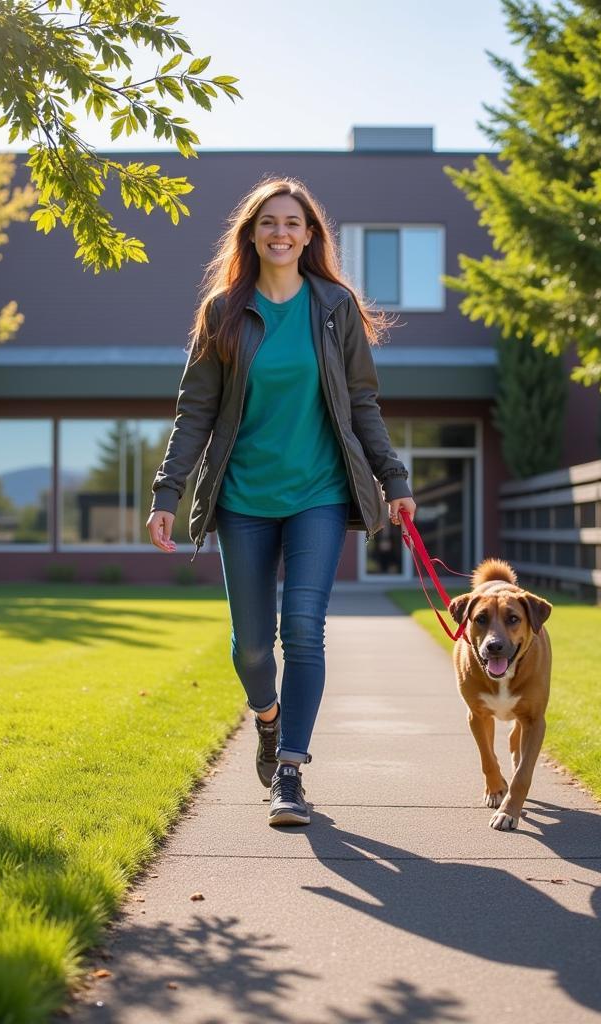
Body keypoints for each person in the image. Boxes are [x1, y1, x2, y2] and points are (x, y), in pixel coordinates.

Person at [146, 177, 416, 827]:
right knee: (249, 647)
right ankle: (267, 719)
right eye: (270, 221)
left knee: (303, 630)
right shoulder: (223, 313)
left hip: (318, 494)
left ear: (310, 235)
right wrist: (167, 492)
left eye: (293, 222)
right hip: (243, 496)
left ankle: (289, 771)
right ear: (252, 233)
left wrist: (394, 479)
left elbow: (363, 405)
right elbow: (195, 412)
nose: (281, 232)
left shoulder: (335, 308)